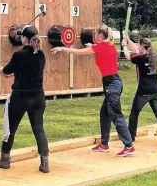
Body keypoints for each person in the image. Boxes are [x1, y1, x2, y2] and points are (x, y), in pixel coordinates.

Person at [51, 24, 135, 157]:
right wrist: (91, 45)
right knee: (104, 114)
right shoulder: (109, 45)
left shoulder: (100, 47)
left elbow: (78, 52)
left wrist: (62, 48)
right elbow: (97, 48)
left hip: (112, 84)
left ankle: (129, 145)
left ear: (100, 36)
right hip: (112, 83)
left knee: (115, 115)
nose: (94, 36)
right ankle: (104, 144)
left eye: (95, 34)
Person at [0, 25, 50, 173]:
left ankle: (4, 160)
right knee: (39, 129)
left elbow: (7, 71)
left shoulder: (19, 55)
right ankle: (45, 163)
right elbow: (25, 71)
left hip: (20, 97)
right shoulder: (41, 54)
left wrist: (3, 71)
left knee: (10, 128)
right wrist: (10, 72)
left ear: (24, 39)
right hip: (38, 97)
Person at [121, 36, 157, 146]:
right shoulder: (153, 56)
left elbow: (128, 55)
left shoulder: (140, 58)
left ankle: (130, 136)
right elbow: (138, 50)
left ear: (142, 46)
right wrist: (129, 40)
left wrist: (124, 46)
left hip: (144, 91)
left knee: (134, 113)